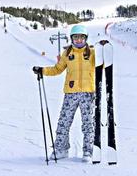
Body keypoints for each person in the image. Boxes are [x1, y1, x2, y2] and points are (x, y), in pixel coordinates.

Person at [33, 25, 95, 162]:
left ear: (86, 39)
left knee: (88, 124)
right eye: (76, 37)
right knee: (63, 122)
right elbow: (57, 69)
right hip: (70, 93)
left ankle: (88, 152)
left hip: (88, 94)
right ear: (72, 38)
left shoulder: (92, 53)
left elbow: (103, 62)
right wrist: (42, 70)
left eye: (81, 37)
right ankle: (61, 149)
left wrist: (103, 47)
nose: (79, 40)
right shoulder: (67, 54)